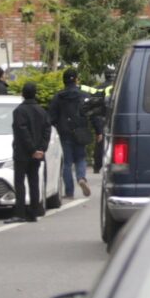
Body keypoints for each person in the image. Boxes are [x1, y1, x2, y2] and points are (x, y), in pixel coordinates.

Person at [9, 82, 51, 222]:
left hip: (22, 153)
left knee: (19, 182)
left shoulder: (19, 111)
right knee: (34, 181)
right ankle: (34, 211)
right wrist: (41, 149)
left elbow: (22, 132)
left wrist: (31, 149)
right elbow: (47, 130)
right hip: (37, 153)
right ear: (35, 94)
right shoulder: (42, 111)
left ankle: (20, 212)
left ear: (22, 94)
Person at [51, 68, 93, 198]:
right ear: (76, 79)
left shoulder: (58, 97)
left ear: (63, 80)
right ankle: (81, 178)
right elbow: (92, 114)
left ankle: (69, 192)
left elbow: (51, 117)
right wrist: (98, 130)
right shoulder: (84, 96)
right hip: (80, 131)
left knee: (67, 163)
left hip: (64, 133)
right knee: (80, 158)